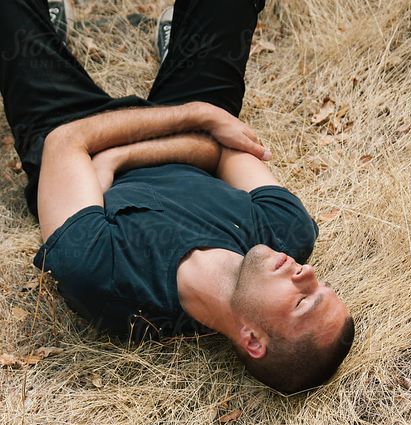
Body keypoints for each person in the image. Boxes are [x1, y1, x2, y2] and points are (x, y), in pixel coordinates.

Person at [0, 0, 355, 394]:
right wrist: (140, 144)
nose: (306, 273)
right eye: (321, 285)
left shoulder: (111, 285)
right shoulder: (287, 231)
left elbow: (63, 143)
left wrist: (198, 125)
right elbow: (224, 150)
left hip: (69, 119)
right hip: (176, 119)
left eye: (302, 301)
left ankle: (42, 32)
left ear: (252, 339)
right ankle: (179, 49)